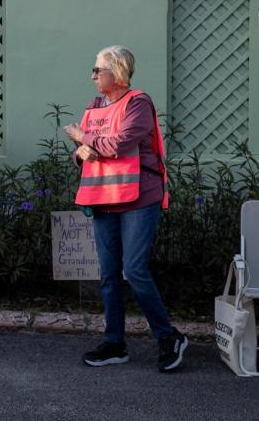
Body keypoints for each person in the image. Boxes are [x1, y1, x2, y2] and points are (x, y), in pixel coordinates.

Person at [62, 45, 188, 372]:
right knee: (107, 274)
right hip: (104, 196)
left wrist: (82, 137)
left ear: (117, 72)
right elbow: (84, 152)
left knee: (133, 270)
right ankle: (115, 343)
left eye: (97, 69)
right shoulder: (96, 106)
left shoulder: (139, 104)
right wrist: (80, 153)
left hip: (138, 196)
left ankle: (168, 336)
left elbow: (119, 144)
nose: (92, 75)